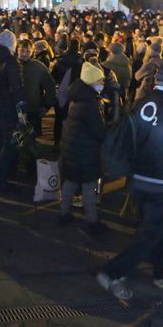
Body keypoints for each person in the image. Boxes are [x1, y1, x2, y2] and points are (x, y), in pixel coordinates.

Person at [97, 58, 163, 300]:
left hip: (138, 180)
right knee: (148, 234)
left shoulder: (142, 102)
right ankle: (112, 273)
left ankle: (162, 271)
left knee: (154, 228)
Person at [58, 62, 108, 234]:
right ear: (91, 82)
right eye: (100, 80)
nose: (103, 83)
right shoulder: (89, 104)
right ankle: (92, 221)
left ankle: (63, 213)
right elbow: (99, 132)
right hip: (85, 152)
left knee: (70, 183)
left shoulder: (78, 97)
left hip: (72, 149)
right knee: (89, 187)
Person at [0, 30, 25, 193]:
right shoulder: (10, 62)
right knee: (7, 144)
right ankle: (2, 180)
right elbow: (17, 88)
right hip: (8, 107)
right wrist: (21, 108)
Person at [17, 39, 56, 137]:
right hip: (14, 109)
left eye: (28, 51)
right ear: (17, 50)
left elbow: (50, 86)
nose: (24, 54)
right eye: (22, 51)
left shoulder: (39, 67)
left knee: (30, 138)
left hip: (33, 109)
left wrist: (46, 105)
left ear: (32, 52)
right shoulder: (12, 65)